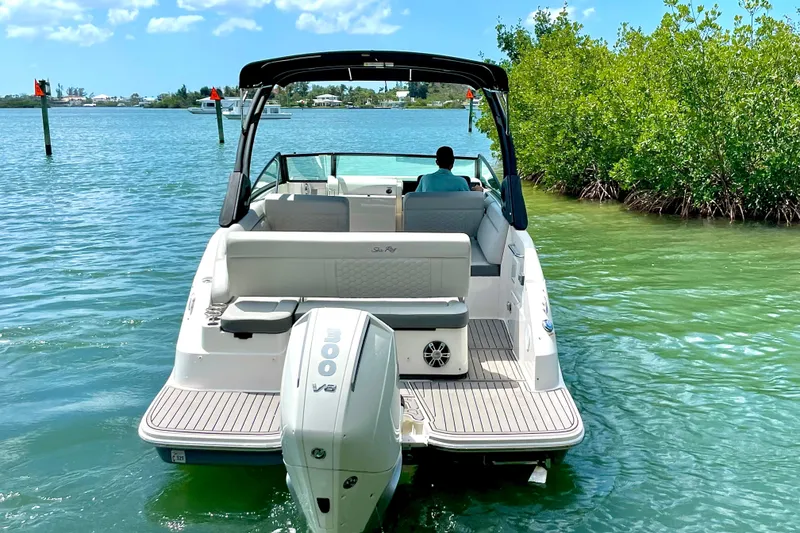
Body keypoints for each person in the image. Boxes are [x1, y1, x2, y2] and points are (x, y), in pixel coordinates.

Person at [417, 146, 482, 192]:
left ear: (437, 162)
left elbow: (414, 200)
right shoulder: (461, 182)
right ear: (453, 161)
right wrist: (478, 192)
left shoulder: (425, 179)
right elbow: (470, 201)